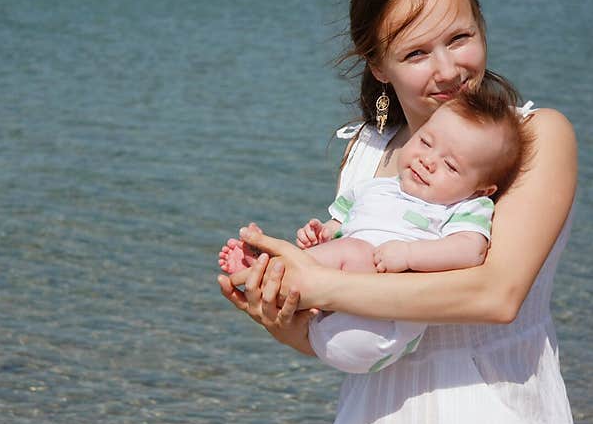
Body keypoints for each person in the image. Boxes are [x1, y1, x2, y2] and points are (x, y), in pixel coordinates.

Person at [217, 0, 579, 424]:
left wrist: (318, 283)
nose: (448, 69)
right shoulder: (365, 155)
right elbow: (339, 336)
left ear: (482, 24)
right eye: (415, 53)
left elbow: (496, 296)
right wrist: (281, 310)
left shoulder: (536, 137)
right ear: (378, 65)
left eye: (460, 38)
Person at [219, 85, 534, 374]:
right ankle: (264, 273)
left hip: (384, 323)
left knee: (352, 252)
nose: (428, 161)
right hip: (325, 321)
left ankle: (265, 270)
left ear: (480, 189)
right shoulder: (374, 188)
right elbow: (341, 225)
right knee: (335, 249)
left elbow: (470, 250)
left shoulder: (465, 207)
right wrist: (323, 233)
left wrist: (411, 255)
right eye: (426, 141)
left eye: (451, 166)